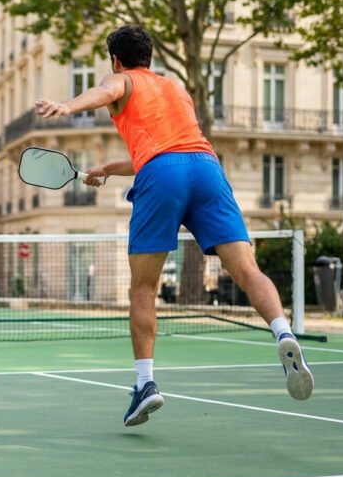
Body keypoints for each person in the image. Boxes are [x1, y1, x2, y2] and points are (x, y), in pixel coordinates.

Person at [35, 25, 313, 427]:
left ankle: (145, 384)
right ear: (150, 56)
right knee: (248, 269)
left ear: (116, 59)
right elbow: (170, 146)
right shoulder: (175, 88)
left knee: (144, 286)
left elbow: (109, 94)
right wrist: (111, 169)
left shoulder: (121, 78)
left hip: (162, 175)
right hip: (206, 168)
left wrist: (67, 105)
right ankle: (283, 332)